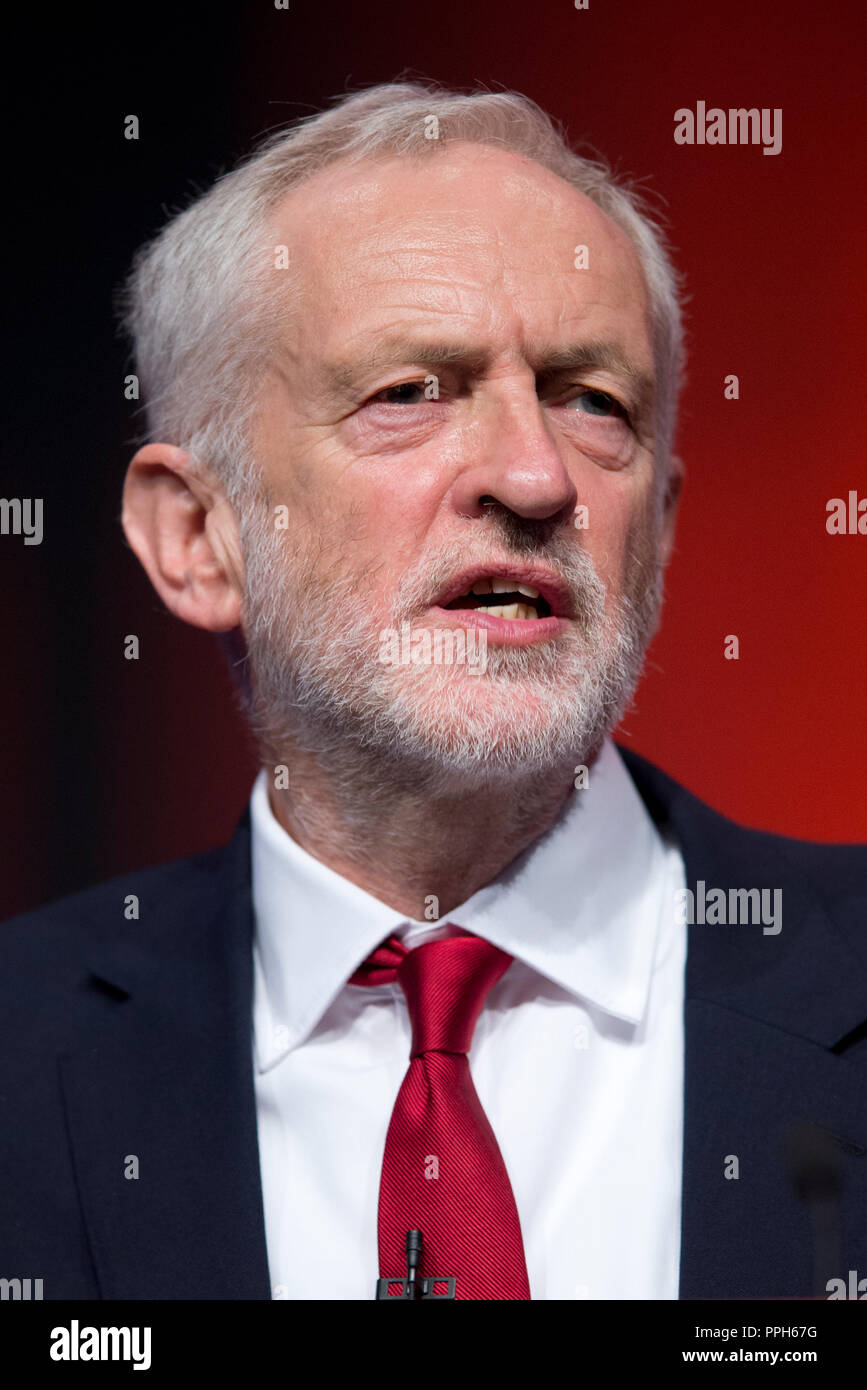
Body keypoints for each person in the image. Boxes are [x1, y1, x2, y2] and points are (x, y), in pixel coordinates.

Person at [2, 81, 864, 1302]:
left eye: (591, 401)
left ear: (659, 533)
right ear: (197, 535)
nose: (533, 473)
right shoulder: (22, 1057)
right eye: (410, 392)